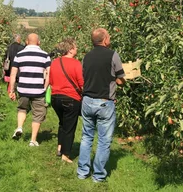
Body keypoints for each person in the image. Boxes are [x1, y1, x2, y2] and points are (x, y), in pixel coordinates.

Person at [77, 28, 126, 183]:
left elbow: (85, 76)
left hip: (87, 100)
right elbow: (120, 78)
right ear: (105, 39)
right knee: (104, 140)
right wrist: (122, 81)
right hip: (104, 102)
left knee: (86, 136)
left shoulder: (86, 57)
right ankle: (98, 175)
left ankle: (82, 172)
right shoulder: (113, 55)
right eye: (109, 36)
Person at [8, 33, 51, 146]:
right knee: (38, 114)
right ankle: (33, 140)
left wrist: (12, 90)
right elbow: (49, 73)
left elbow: (13, 74)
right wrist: (45, 87)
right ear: (39, 42)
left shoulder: (19, 55)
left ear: (26, 42)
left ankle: (19, 127)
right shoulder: (45, 55)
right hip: (38, 90)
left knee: (22, 108)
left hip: (23, 89)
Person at [49, 38, 83, 163]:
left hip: (55, 97)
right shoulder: (76, 64)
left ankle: (60, 147)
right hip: (70, 98)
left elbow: (51, 80)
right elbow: (81, 83)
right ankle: (66, 154)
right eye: (75, 46)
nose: (77, 48)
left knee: (62, 122)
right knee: (69, 126)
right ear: (70, 49)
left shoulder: (54, 62)